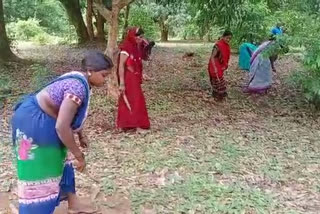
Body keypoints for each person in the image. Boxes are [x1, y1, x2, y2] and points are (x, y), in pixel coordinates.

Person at [11, 51, 113, 214]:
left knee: (62, 158)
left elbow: (70, 115)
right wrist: (79, 156)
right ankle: (36, 209)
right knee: (42, 169)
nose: (105, 80)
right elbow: (62, 126)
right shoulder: (77, 87)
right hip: (33, 121)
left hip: (43, 118)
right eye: (104, 75)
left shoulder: (81, 80)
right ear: (90, 71)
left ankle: (73, 203)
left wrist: (80, 135)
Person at [116, 27, 151, 132]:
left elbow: (136, 62)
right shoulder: (126, 48)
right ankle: (136, 125)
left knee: (135, 100)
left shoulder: (136, 47)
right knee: (135, 100)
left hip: (134, 77)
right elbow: (121, 66)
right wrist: (122, 83)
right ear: (132, 36)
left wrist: (142, 74)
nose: (140, 39)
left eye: (141, 37)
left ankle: (127, 124)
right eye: (138, 37)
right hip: (128, 79)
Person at [207, 30, 232, 100]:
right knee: (218, 79)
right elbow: (212, 57)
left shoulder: (226, 46)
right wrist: (214, 67)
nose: (228, 40)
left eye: (230, 38)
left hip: (220, 65)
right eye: (227, 38)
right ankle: (218, 95)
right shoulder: (218, 45)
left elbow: (226, 56)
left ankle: (216, 94)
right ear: (223, 37)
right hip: (214, 64)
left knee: (218, 80)